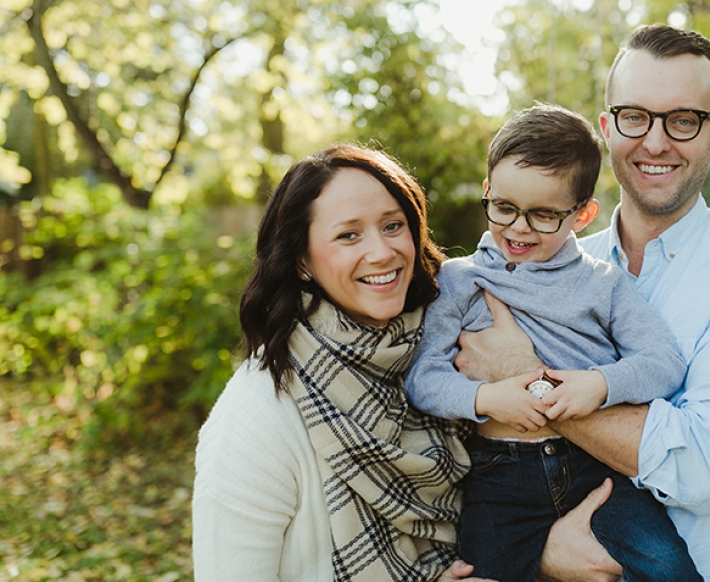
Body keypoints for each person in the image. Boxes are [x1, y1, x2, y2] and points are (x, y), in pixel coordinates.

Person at [453, 25, 710, 582]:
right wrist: (539, 548)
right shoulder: (546, 258)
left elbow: (703, 465)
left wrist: (523, 375)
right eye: (635, 117)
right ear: (607, 129)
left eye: (684, 120)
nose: (656, 142)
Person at [405, 104, 701, 582]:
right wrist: (487, 396)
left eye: (544, 214)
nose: (519, 228)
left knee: (669, 569)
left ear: (582, 214)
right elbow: (424, 379)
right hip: (500, 476)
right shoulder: (460, 281)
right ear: (488, 193)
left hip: (596, 469)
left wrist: (599, 385)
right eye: (504, 207)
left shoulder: (604, 284)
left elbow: (665, 361)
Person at [191, 144, 493, 582]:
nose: (382, 252)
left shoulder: (450, 360)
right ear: (302, 261)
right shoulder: (255, 418)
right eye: (349, 235)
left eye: (393, 226)